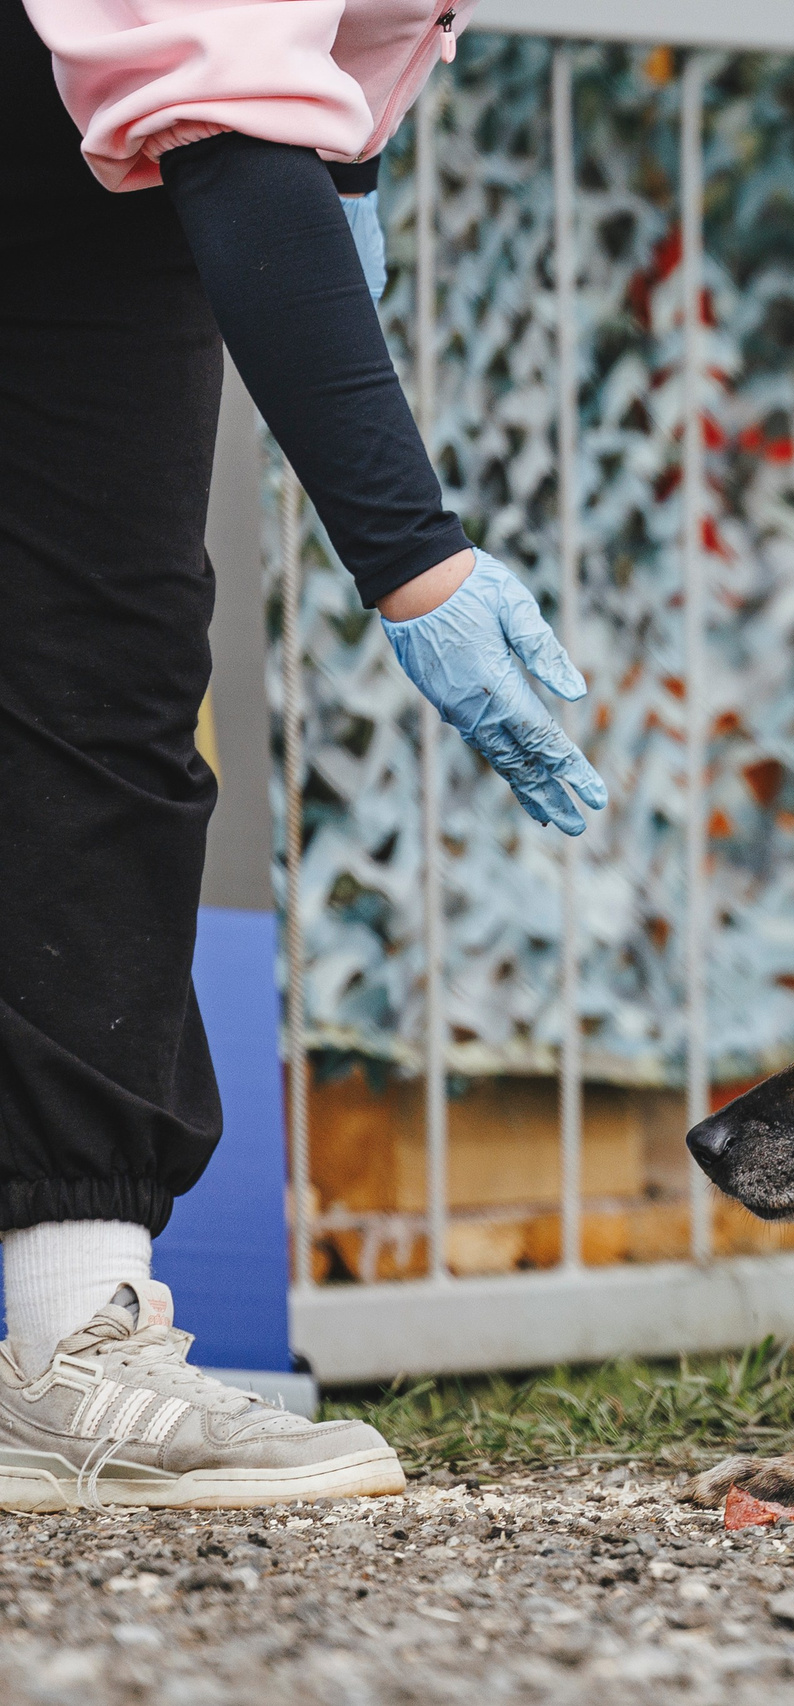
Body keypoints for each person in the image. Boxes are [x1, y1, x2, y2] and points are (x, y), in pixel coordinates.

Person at [0, 0, 601, 1507]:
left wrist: (344, 189)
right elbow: (214, 82)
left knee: (108, 670)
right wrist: (417, 561)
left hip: (92, 126)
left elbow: (282, 68)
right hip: (129, 79)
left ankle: (67, 1348)